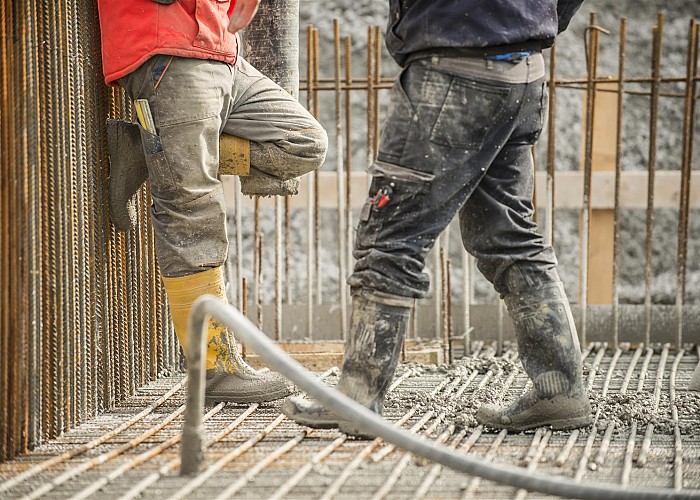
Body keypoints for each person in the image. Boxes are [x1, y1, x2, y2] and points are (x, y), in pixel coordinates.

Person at [283, 0, 592, 435]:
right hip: (523, 71)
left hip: (453, 69)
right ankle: (561, 390)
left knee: (389, 236)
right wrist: (529, 24)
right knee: (509, 235)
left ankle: (358, 397)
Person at [97, 0, 328, 404]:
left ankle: (150, 152)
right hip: (167, 51)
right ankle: (215, 369)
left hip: (222, 49)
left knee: (303, 143)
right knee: (191, 208)